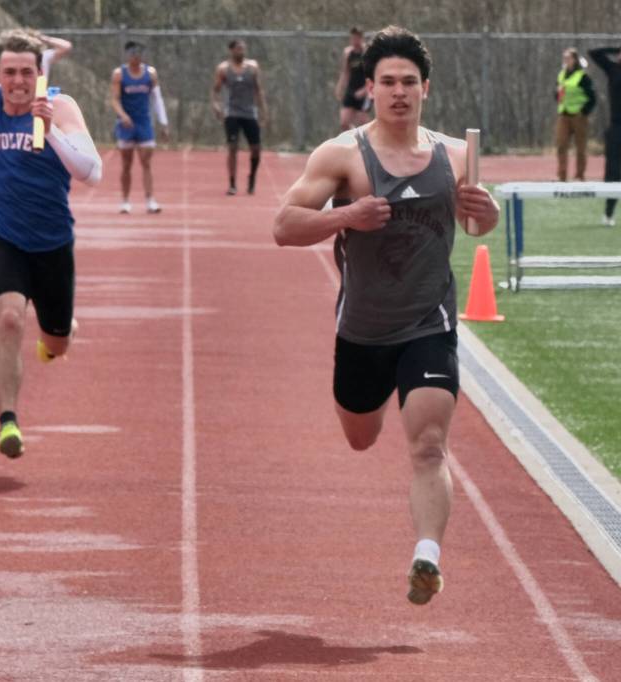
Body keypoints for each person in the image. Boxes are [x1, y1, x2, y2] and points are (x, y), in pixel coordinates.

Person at [272, 26, 499, 606]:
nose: (400, 92)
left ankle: (427, 556)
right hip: (363, 331)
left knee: (428, 445)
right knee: (360, 438)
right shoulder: (342, 155)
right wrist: (344, 218)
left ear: (426, 89)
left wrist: (488, 208)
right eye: (388, 82)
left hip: (429, 324)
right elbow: (284, 227)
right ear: (369, 87)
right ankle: (366, 412)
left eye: (410, 83)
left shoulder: (455, 153)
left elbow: (476, 226)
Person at [0, 29, 102, 458]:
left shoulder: (61, 107)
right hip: (3, 235)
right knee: (9, 318)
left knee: (57, 342)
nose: (18, 81)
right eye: (9, 72)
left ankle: (59, 332)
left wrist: (49, 131)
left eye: (26, 72)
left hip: (52, 243)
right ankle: (8, 421)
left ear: (39, 73)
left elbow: (92, 172)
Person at [110, 41, 168, 214]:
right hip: (127, 124)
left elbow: (158, 99)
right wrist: (123, 115)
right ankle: (125, 201)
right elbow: (114, 99)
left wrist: (163, 123)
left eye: (139, 53)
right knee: (126, 164)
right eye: (133, 53)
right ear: (127, 55)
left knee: (146, 162)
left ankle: (150, 200)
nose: (136, 56)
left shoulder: (150, 74)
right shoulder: (119, 74)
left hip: (144, 123)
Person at [211, 39, 268, 195]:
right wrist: (216, 105)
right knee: (233, 147)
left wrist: (263, 111)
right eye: (238, 49)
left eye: (243, 49)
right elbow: (215, 91)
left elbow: (259, 90)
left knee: (256, 149)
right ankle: (232, 183)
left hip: (250, 112)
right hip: (232, 113)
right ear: (231, 50)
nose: (241, 52)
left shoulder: (253, 67)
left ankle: (252, 177)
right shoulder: (223, 69)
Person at [589, 44, 621, 226]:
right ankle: (608, 213)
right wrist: (616, 48)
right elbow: (594, 53)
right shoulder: (613, 69)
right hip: (617, 128)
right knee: (613, 172)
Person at [555, 47, 596, 182]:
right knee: (561, 145)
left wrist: (584, 111)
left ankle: (580, 175)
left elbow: (592, 97)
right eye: (564, 58)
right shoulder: (561, 74)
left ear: (575, 60)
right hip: (564, 114)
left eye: (568, 58)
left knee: (580, 147)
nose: (566, 60)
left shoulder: (582, 76)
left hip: (578, 116)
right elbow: (557, 93)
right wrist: (557, 96)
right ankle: (562, 176)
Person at [335, 27, 371, 131]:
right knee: (344, 122)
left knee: (363, 122)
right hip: (352, 89)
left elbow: (372, 74)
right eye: (353, 38)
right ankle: (355, 138)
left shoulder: (367, 53)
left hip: (365, 91)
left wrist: (364, 90)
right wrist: (340, 87)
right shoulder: (348, 53)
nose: (355, 41)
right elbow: (346, 72)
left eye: (357, 38)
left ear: (361, 38)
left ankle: (370, 143)